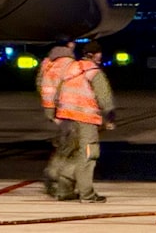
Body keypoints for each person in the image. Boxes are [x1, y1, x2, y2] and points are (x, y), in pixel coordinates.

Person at [54, 41, 115, 203]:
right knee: (88, 156)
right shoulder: (94, 72)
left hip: (67, 120)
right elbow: (105, 99)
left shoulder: (70, 69)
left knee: (71, 155)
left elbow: (56, 92)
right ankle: (87, 195)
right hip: (85, 120)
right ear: (95, 55)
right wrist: (109, 118)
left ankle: (64, 191)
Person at [36, 38, 75, 196]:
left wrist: (51, 111)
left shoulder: (47, 63)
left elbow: (42, 86)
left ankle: (54, 175)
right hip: (69, 109)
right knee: (71, 147)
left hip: (55, 110)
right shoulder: (67, 64)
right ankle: (59, 180)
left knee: (65, 144)